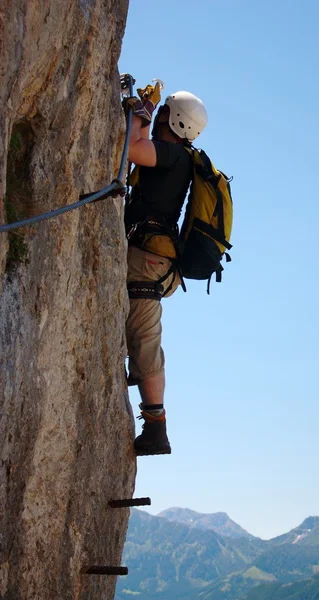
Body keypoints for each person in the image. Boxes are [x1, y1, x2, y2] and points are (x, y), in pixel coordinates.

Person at [124, 83, 208, 456]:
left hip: (148, 261)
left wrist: (141, 110)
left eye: (162, 113)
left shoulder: (174, 157)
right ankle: (152, 412)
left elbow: (132, 150)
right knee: (141, 332)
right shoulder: (177, 156)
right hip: (152, 257)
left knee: (145, 336)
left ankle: (157, 426)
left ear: (171, 118)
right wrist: (143, 111)